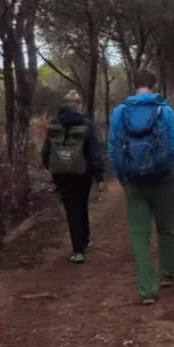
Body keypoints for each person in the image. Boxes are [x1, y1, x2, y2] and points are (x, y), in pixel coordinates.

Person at [107, 70, 174, 304]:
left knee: (138, 234)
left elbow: (113, 150)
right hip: (163, 178)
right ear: (153, 85)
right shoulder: (164, 111)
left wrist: (122, 177)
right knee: (167, 227)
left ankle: (146, 289)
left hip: (134, 181)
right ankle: (168, 271)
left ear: (134, 85)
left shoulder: (119, 112)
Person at [41, 91, 105, 263]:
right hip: (82, 173)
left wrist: (53, 167)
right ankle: (83, 242)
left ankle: (78, 248)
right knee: (82, 204)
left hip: (61, 174)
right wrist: (99, 176)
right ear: (79, 104)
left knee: (71, 209)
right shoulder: (86, 124)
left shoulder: (54, 123)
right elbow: (94, 151)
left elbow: (45, 152)